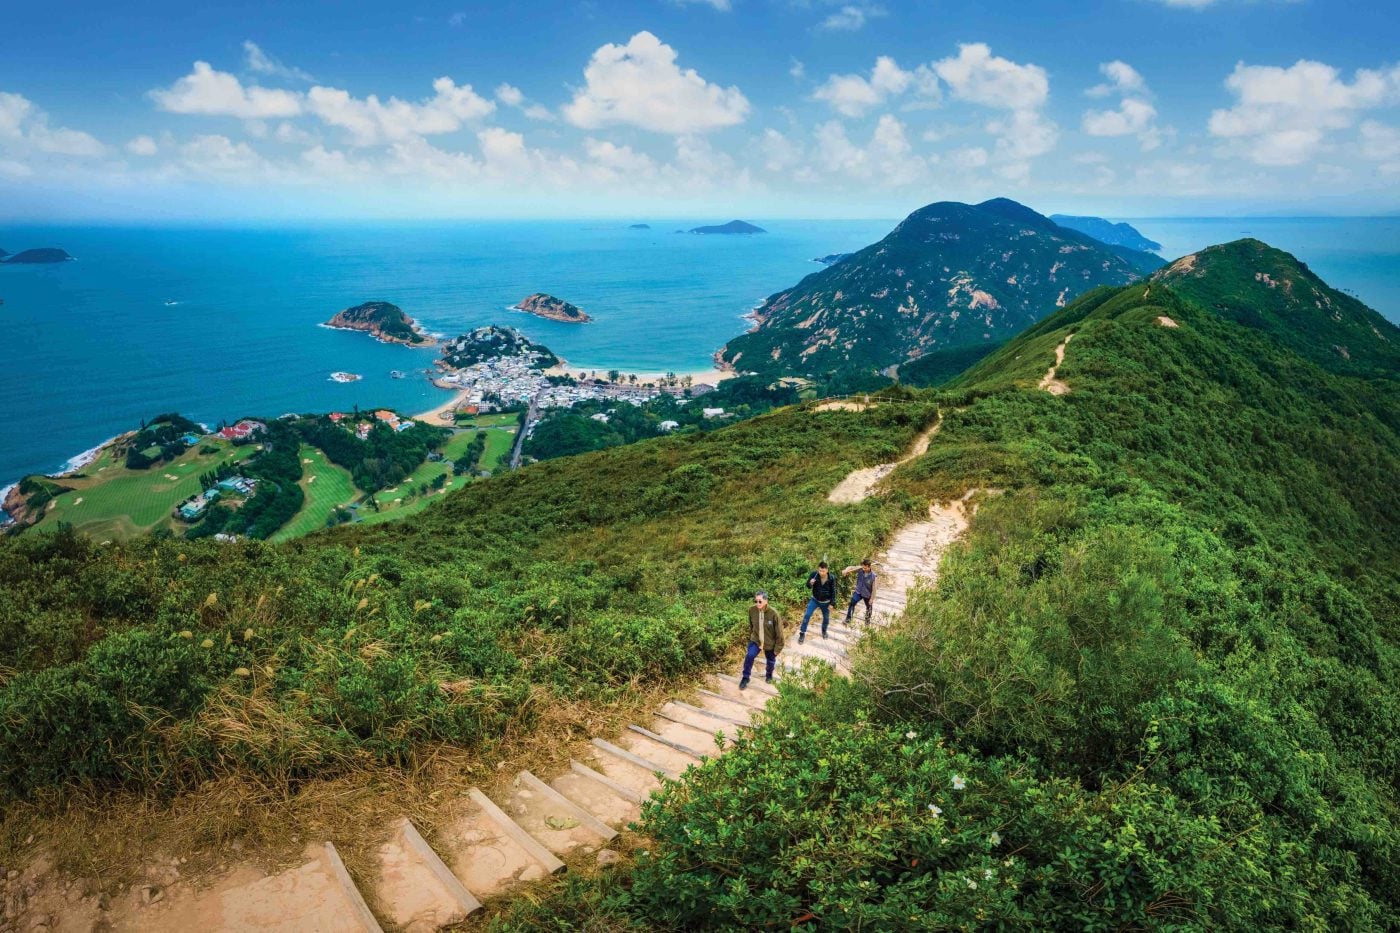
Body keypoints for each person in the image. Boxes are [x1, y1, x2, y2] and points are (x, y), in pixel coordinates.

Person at [740, 591, 783, 689]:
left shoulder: (774, 614)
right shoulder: (752, 610)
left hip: (770, 643)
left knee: (771, 661)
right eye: (756, 601)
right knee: (749, 656)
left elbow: (779, 633)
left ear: (766, 601)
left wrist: (777, 649)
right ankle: (745, 677)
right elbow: (751, 626)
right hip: (756, 640)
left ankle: (769, 675)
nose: (757, 603)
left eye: (760, 601)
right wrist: (751, 638)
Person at [799, 561, 836, 643]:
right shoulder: (814, 575)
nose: (821, 573)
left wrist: (832, 603)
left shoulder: (832, 578)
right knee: (807, 615)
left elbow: (833, 591)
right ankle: (802, 633)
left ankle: (824, 631)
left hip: (826, 602)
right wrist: (810, 583)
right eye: (820, 570)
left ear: (827, 570)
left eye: (823, 571)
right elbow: (808, 586)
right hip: (814, 600)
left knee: (826, 619)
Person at [842, 559, 877, 625]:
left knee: (869, 608)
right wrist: (846, 570)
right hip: (858, 592)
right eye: (863, 567)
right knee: (852, 603)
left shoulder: (873, 576)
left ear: (869, 567)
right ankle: (848, 619)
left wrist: (872, 599)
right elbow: (851, 567)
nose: (863, 569)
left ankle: (867, 623)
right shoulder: (860, 569)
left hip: (867, 594)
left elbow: (874, 589)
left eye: (865, 568)